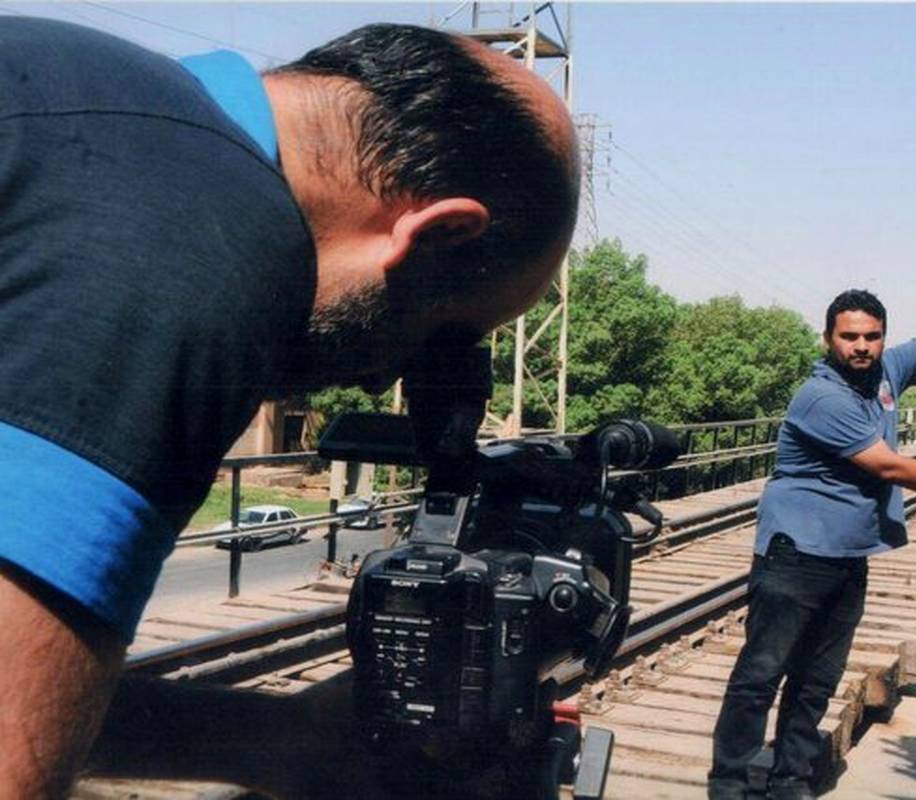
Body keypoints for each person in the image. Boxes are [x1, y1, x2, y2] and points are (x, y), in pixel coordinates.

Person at [0, 17, 578, 798]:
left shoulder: (100, 104)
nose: (382, 382)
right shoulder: (197, 241)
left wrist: (282, 740)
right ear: (438, 231)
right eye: (436, 339)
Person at [708, 236, 916, 800]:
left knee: (817, 679)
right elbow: (886, 465)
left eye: (871, 336)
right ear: (828, 339)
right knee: (761, 674)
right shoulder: (820, 397)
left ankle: (790, 781)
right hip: (795, 558)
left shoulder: (884, 374)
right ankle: (728, 785)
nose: (861, 346)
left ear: (881, 337)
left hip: (846, 556)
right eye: (849, 336)